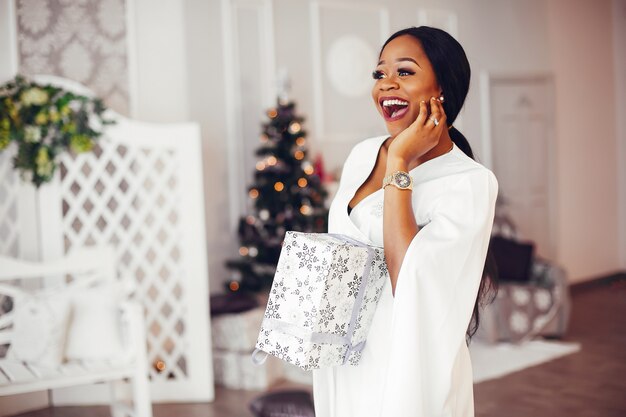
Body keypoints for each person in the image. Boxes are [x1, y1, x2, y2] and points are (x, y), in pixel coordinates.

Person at [312, 26, 499, 416]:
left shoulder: (470, 183)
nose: (386, 85)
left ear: (442, 88)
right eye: (380, 74)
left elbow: (408, 279)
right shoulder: (363, 155)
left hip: (407, 373)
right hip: (344, 360)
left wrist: (399, 163)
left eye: (405, 72)